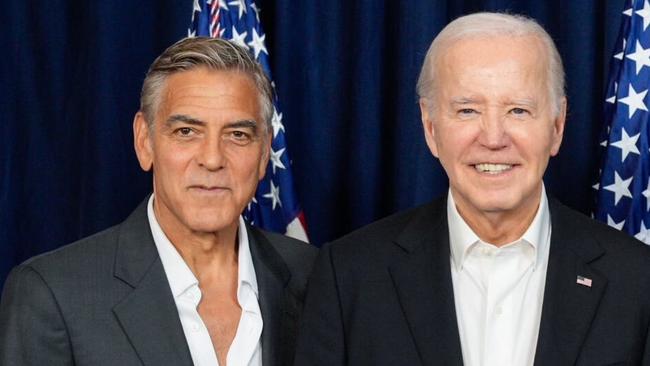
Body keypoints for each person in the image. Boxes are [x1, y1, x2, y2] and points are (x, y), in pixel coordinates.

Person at [294, 12, 650, 366]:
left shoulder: (637, 280)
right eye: (467, 111)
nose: (493, 138)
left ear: (557, 126)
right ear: (430, 127)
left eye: (518, 111)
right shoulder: (350, 276)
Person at [0, 37, 317, 366]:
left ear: (264, 151)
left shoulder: (314, 277)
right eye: (186, 131)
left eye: (237, 134)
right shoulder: (52, 294)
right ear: (144, 141)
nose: (212, 159)